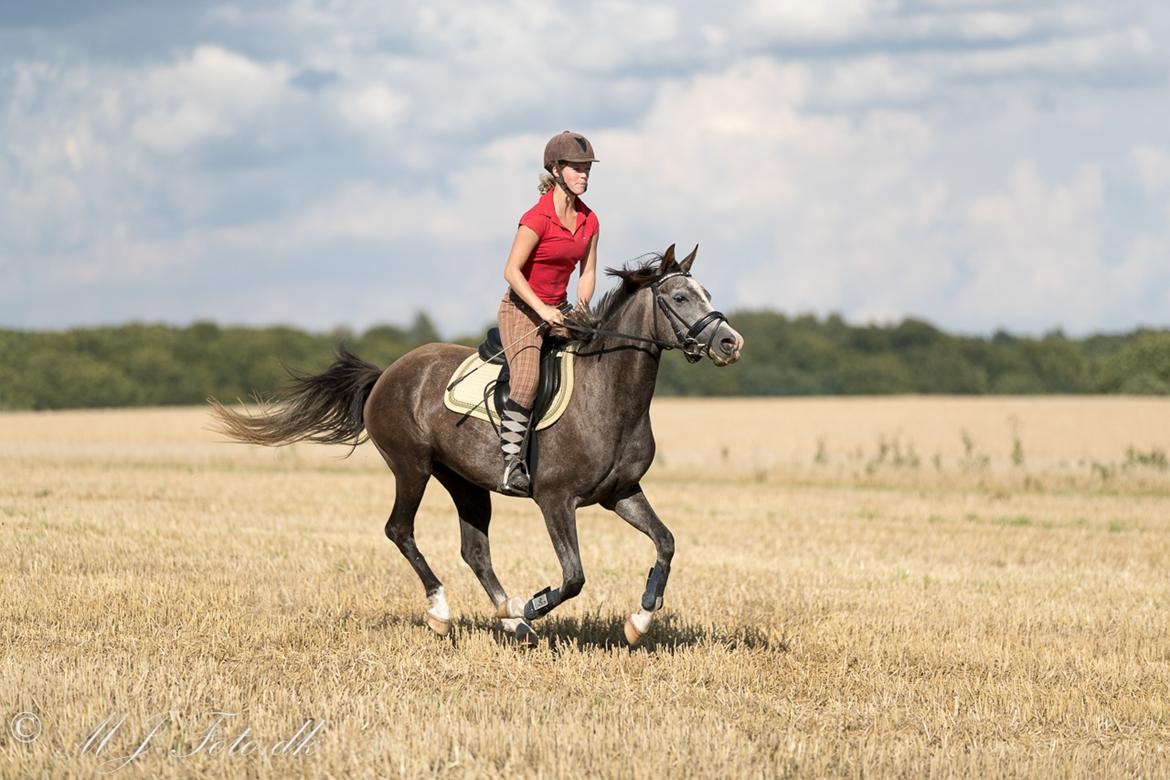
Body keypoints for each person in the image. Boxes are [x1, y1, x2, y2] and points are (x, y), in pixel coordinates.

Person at [496, 130, 600, 496]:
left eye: (587, 168)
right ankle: (511, 465)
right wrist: (542, 309)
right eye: (576, 168)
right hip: (522, 310)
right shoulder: (536, 218)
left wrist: (582, 310)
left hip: (561, 311)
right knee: (526, 380)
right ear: (555, 169)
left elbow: (587, 272)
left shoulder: (590, 221)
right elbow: (511, 271)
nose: (584, 174)